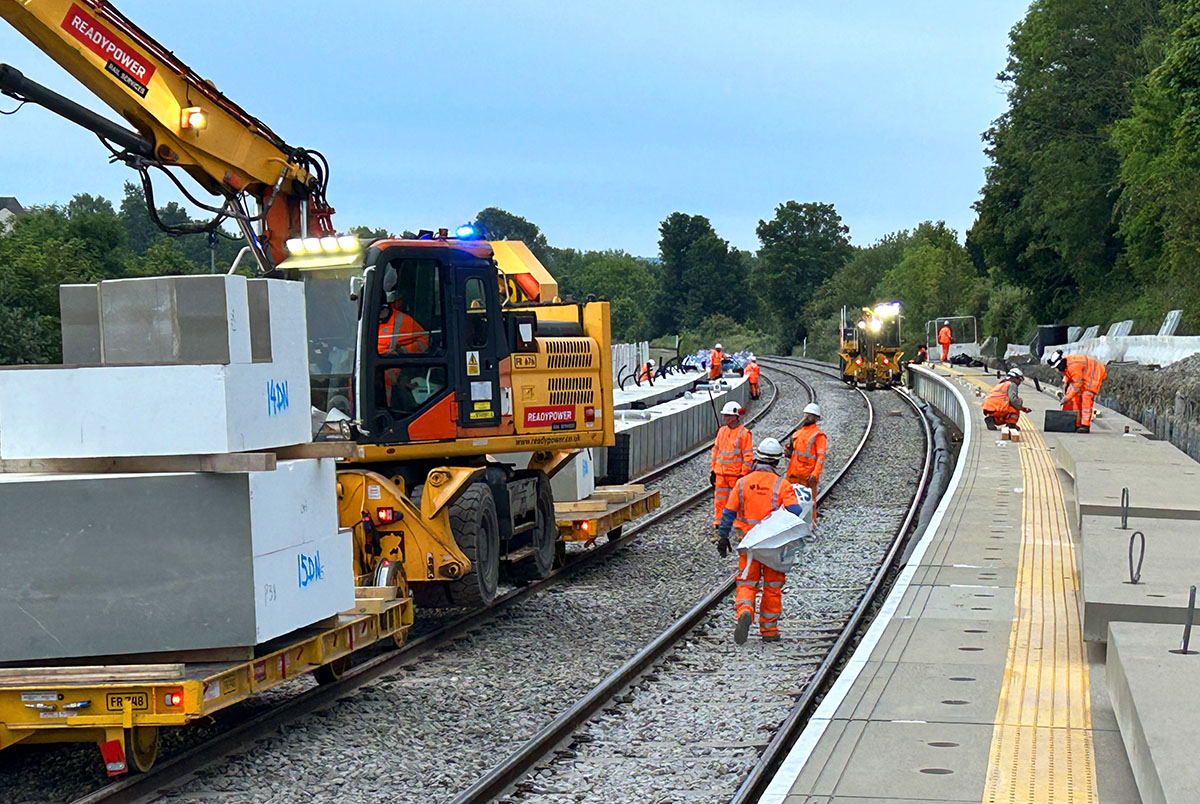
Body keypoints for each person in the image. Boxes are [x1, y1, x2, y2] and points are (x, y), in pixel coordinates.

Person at [715, 437, 807, 644]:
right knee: (772, 587)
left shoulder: (742, 483)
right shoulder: (781, 484)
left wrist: (722, 537)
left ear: (757, 458)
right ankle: (769, 630)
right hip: (773, 546)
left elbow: (728, 513)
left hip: (748, 544)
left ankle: (745, 611)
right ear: (775, 462)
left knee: (747, 583)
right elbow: (795, 511)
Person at [710, 400, 753, 534]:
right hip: (721, 473)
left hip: (736, 475)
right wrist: (713, 470)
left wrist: (743, 473)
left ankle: (739, 526)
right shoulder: (722, 431)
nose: (725, 418)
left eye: (728, 415)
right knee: (719, 501)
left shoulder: (744, 433)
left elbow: (748, 456)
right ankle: (719, 525)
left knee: (738, 502)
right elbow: (715, 451)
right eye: (724, 415)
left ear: (736, 416)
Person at [785, 402, 827, 521]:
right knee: (791, 502)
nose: (807, 417)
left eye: (810, 415)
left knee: (809, 504)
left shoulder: (819, 436)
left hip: (807, 477)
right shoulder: (797, 434)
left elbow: (821, 457)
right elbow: (792, 454)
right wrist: (787, 452)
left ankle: (810, 526)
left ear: (816, 418)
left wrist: (815, 474)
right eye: (806, 414)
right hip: (793, 475)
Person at [1048, 350, 1107, 433]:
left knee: (1086, 398)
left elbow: (1077, 384)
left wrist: (1067, 397)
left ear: (1061, 363)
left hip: (1093, 374)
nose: (1058, 369)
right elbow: (1069, 380)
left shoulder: (1073, 366)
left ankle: (1085, 425)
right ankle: (1078, 423)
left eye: (1058, 367)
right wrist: (1066, 393)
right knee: (1075, 398)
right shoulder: (1066, 365)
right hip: (1085, 376)